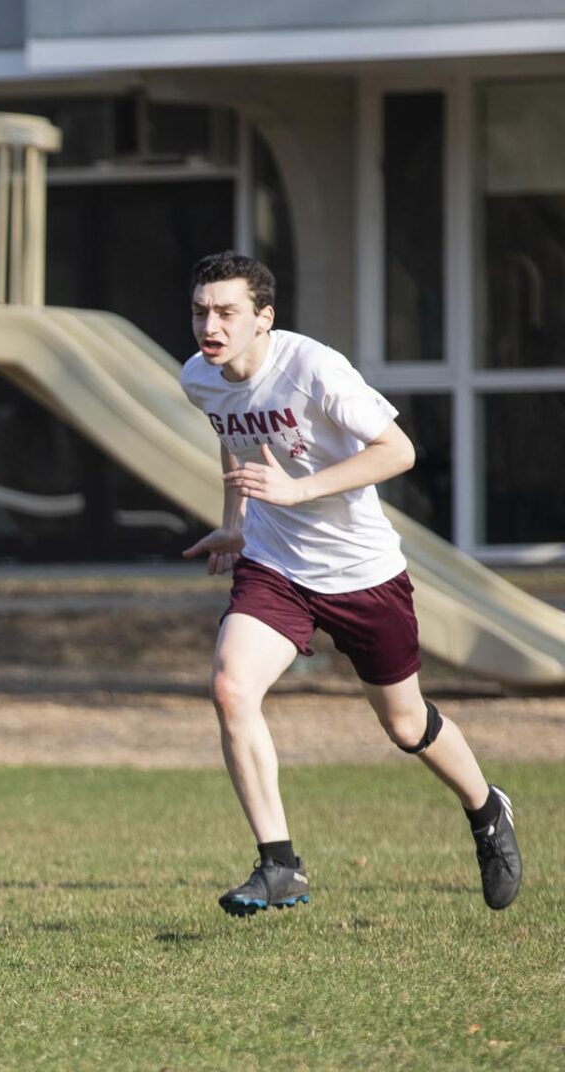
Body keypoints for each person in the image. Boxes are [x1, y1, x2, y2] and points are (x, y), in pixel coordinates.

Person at [179, 250, 521, 916]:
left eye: (226, 312)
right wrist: (234, 522)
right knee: (230, 687)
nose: (209, 327)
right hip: (275, 565)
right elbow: (234, 434)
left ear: (263, 318)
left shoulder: (313, 368)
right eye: (199, 312)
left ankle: (486, 810)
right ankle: (279, 865)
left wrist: (298, 491)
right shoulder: (200, 377)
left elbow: (399, 451)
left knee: (405, 724)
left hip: (363, 572)